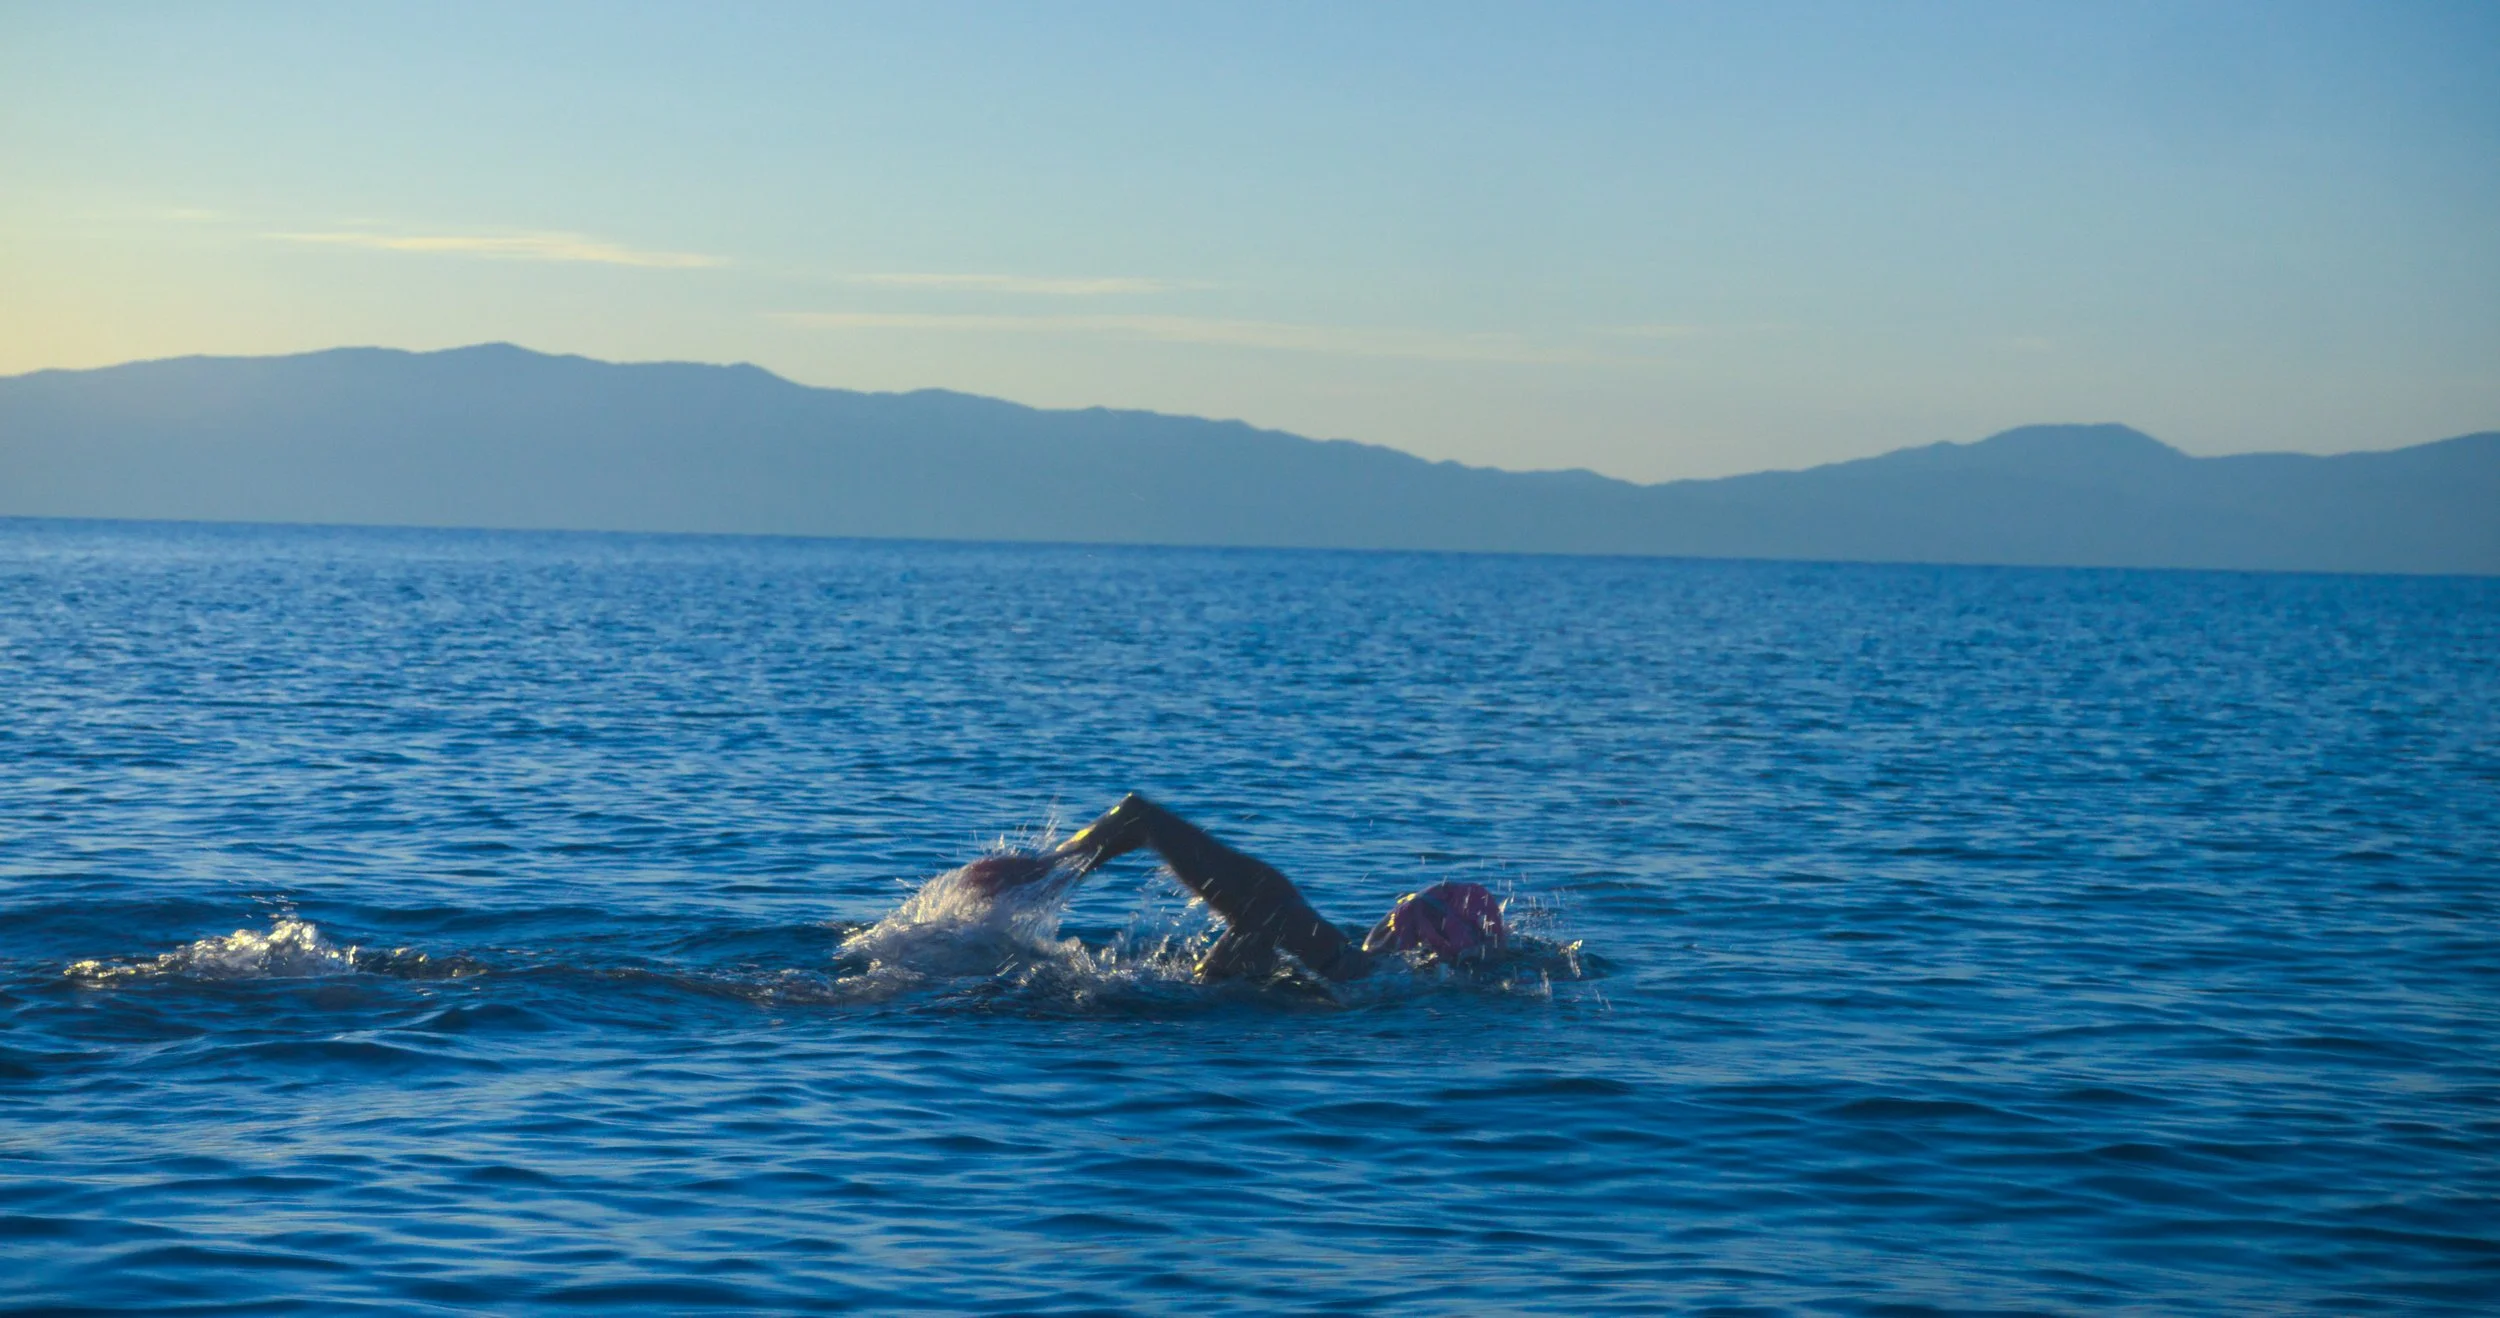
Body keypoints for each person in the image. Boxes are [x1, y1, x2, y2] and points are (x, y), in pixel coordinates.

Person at [954, 793, 1506, 982]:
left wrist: (1052, 869)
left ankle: (1048, 871)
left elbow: (1141, 818)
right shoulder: (1356, 975)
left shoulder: (1352, 967)